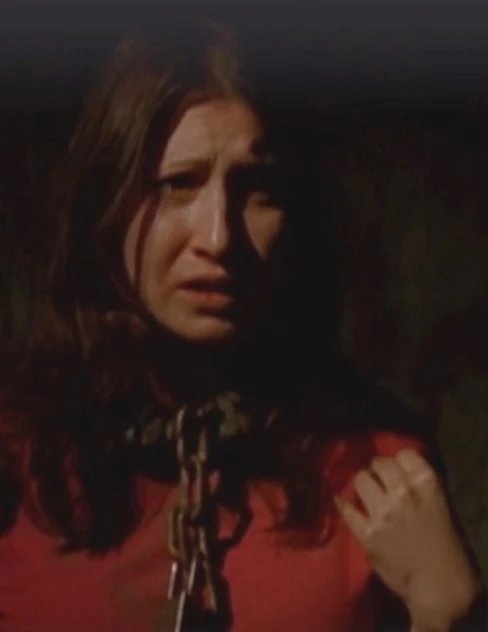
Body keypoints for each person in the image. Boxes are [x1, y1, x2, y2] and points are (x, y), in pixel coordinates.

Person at [0, 18, 483, 632]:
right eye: (178, 184)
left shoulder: (381, 474)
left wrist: (449, 612)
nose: (218, 237)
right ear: (108, 204)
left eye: (258, 188)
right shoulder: (18, 457)